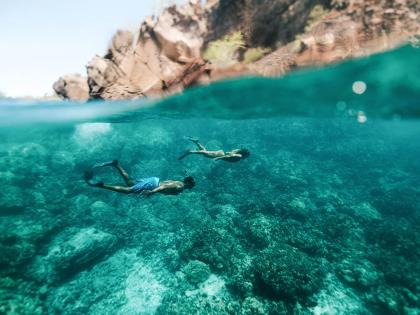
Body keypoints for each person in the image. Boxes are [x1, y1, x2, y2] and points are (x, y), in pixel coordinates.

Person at [84, 160, 195, 196]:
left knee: (130, 182)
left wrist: (186, 173)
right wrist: (152, 192)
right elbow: (165, 186)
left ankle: (116, 164)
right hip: (154, 185)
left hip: (154, 180)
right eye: (192, 186)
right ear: (188, 184)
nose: (191, 188)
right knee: (129, 190)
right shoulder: (180, 186)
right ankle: (102, 185)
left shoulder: (181, 182)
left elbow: (186, 177)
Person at [178, 137, 250, 162]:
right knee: (206, 153)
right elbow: (229, 156)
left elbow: (231, 154)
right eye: (247, 156)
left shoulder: (238, 151)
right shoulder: (239, 156)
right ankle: (191, 152)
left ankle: (196, 142)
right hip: (222, 154)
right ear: (245, 154)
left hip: (222, 152)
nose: (246, 158)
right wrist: (219, 158)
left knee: (206, 152)